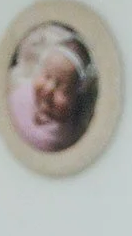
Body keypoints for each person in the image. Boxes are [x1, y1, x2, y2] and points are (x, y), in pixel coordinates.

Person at [8, 23, 96, 153]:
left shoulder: (62, 138)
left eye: (63, 87)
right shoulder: (23, 93)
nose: (49, 89)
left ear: (75, 99)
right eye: (46, 76)